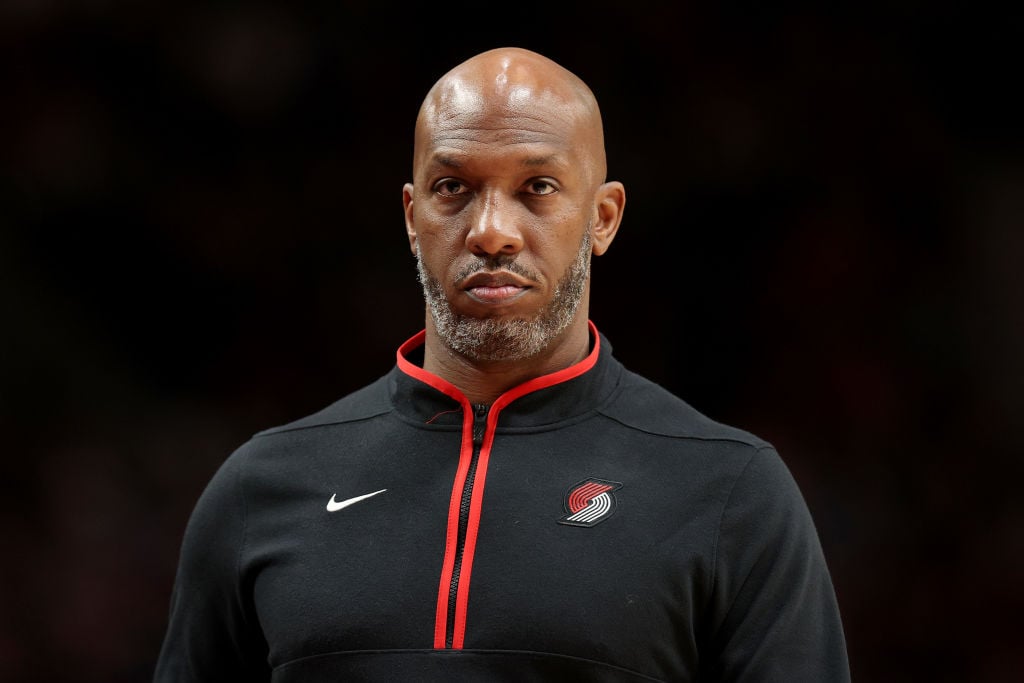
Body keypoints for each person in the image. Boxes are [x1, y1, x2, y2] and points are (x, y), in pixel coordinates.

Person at [154, 46, 850, 682]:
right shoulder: (260, 489)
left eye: (537, 186)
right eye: (452, 187)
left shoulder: (731, 493)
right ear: (412, 216)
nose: (491, 232)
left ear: (603, 217)